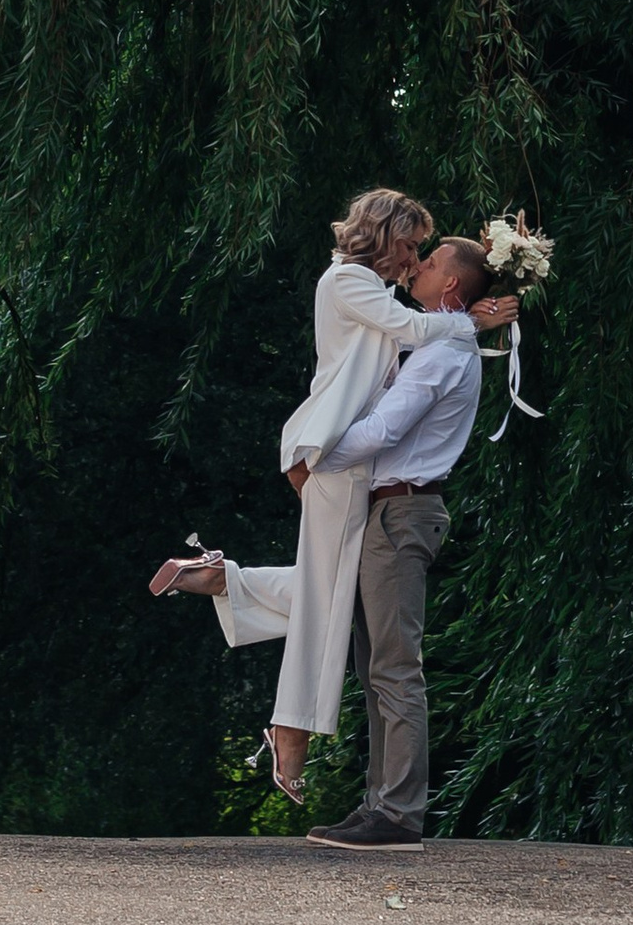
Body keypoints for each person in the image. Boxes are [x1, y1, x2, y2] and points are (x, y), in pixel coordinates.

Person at [147, 189, 515, 807]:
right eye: (411, 245)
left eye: (424, 253)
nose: (414, 259)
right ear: (385, 236)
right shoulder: (349, 282)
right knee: (329, 593)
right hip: (337, 452)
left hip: (340, 453)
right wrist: (473, 321)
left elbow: (406, 346)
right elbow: (415, 331)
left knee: (332, 590)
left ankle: (227, 586)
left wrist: (469, 314)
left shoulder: (371, 290)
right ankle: (290, 728)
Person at [302, 231, 496, 851]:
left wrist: (314, 457)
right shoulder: (440, 341)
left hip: (401, 511)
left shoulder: (442, 354)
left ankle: (399, 813)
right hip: (392, 510)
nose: (417, 266)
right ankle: (380, 805)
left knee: (393, 666)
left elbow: (384, 429)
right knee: (375, 667)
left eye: (430, 262)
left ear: (451, 283)